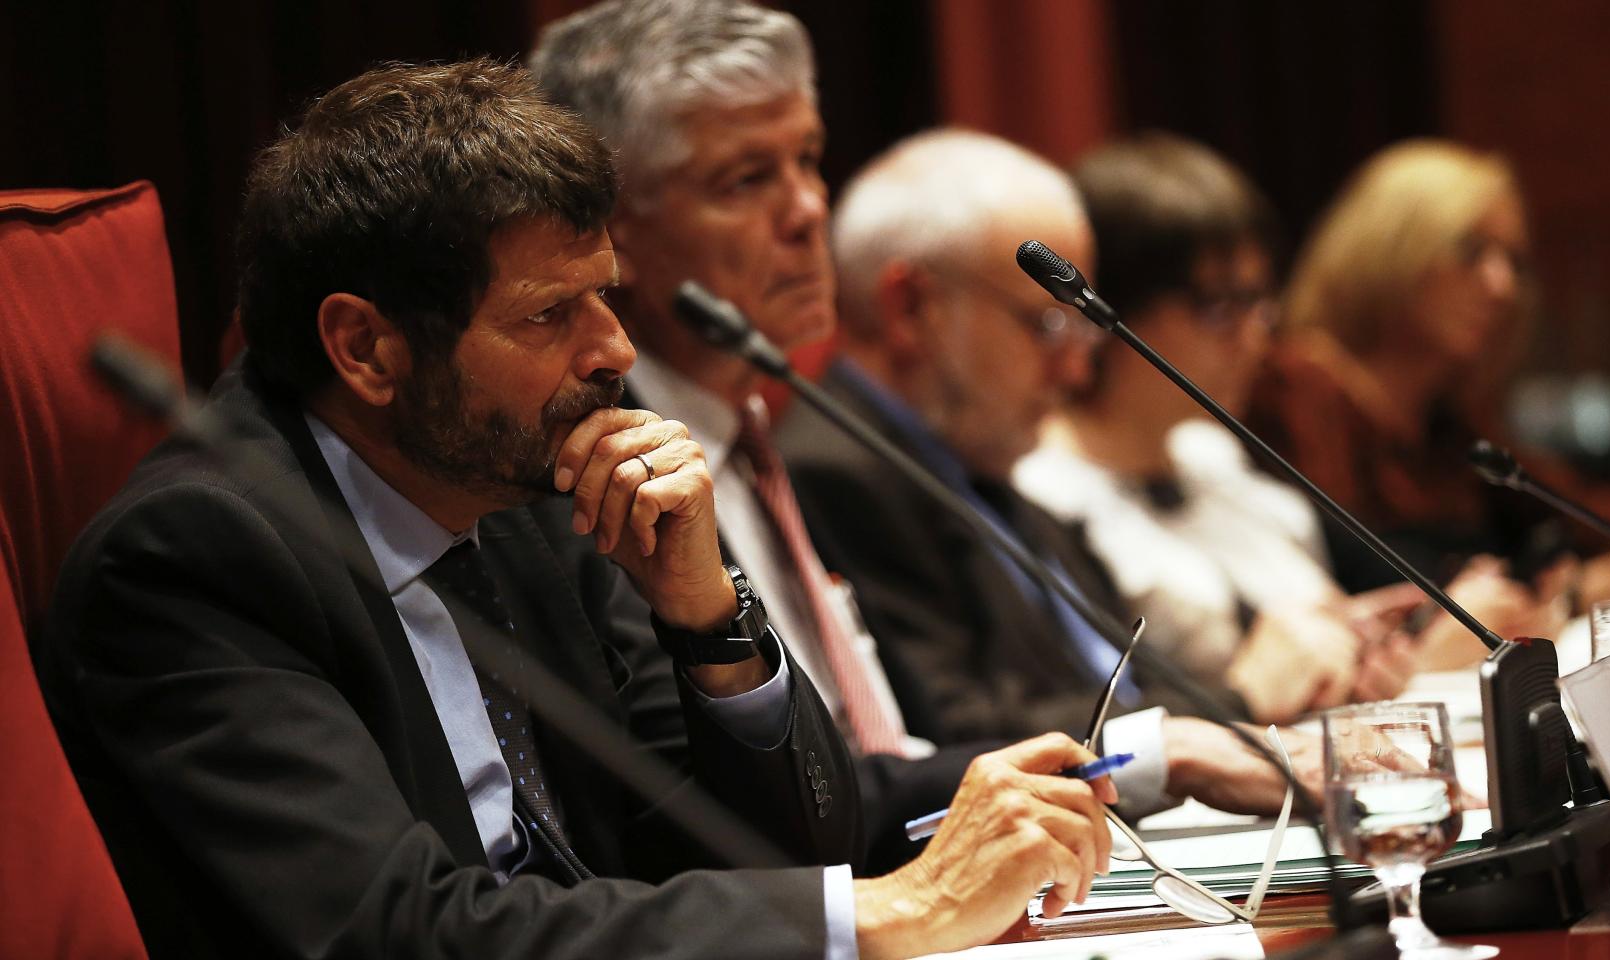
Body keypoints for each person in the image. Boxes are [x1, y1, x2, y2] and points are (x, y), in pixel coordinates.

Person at [36, 60, 1127, 960]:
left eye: (604, 293)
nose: (614, 350)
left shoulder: (529, 491)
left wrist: (708, 618)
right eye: (550, 313)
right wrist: (884, 916)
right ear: (367, 347)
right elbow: (393, 931)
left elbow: (784, 844)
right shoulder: (197, 558)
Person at [530, 3, 1309, 826]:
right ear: (616, 235)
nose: (808, 210)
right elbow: (761, 808)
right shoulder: (603, 479)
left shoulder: (751, 437)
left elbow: (880, 761)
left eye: (808, 160)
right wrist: (1157, 754)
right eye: (746, 180)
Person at [776, 127, 1316, 815]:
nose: (1076, 370)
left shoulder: (974, 457)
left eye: (1082, 332)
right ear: (913, 308)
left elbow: (1120, 682)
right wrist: (1236, 700)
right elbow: (958, 737)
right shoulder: (839, 473)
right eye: (1048, 327)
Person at [1016, 133, 1446, 720]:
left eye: (1260, 301)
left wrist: (1364, 654)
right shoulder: (1042, 493)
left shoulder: (1211, 451)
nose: (1255, 336)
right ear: (1104, 311)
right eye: (1221, 306)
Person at [1248, 139, 1610, 665]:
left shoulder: (1446, 420)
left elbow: (1588, 513)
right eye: (1471, 252)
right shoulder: (1295, 392)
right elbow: (1363, 585)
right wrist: (1572, 593)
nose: (1501, 285)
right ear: (1389, 248)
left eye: (1513, 261)